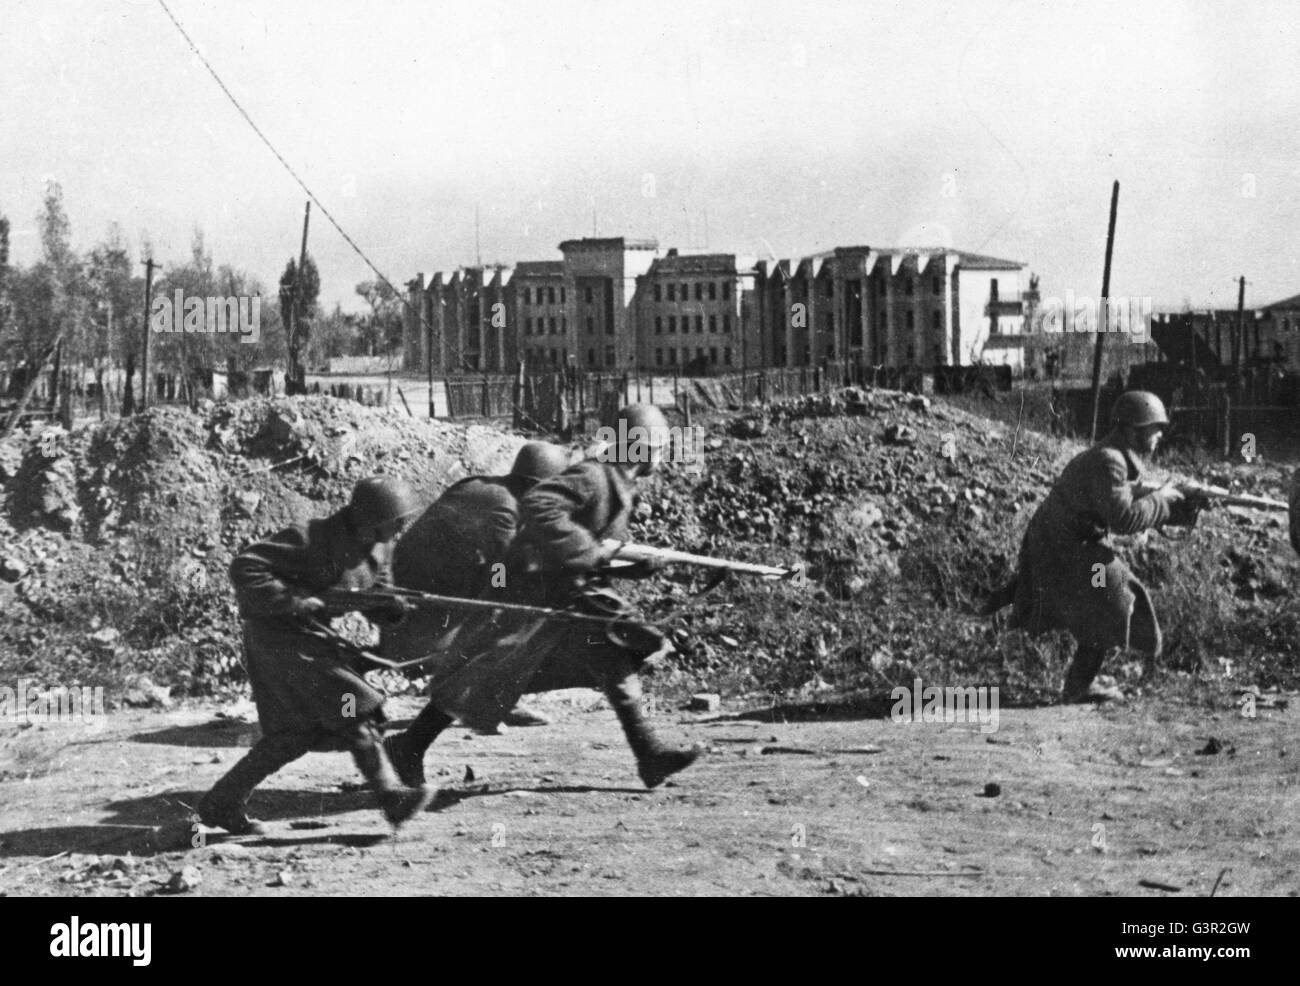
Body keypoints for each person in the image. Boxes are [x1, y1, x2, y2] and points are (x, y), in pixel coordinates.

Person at [385, 404, 701, 789]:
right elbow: (539, 506)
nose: (662, 455)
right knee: (481, 673)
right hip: (531, 599)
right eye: (658, 445)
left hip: (573, 598)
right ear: (638, 446)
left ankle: (648, 754)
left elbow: (606, 550)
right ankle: (408, 747)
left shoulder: (619, 488)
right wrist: (592, 552)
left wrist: (644, 564)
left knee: (615, 658)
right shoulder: (593, 477)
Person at [198, 476, 431, 835]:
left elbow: (374, 597)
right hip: (278, 639)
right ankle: (391, 798)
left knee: (295, 734)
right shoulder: (312, 538)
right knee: (355, 710)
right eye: (398, 520)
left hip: (311, 640)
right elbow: (245, 566)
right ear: (372, 517)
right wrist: (293, 602)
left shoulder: (381, 547)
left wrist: (393, 608)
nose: (404, 527)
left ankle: (221, 803)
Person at [985, 391, 1198, 703]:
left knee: (1108, 598)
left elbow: (1123, 502)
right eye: (1154, 428)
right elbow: (1124, 518)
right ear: (1131, 430)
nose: (1160, 435)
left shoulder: (1113, 458)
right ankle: (1079, 687)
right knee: (1113, 596)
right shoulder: (1109, 461)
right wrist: (1162, 501)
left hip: (1069, 543)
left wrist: (1178, 504)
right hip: (1062, 546)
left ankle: (1080, 683)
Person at [384, 441, 571, 734]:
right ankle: (486, 700)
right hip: (425, 585)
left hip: (428, 574)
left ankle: (494, 698)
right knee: (512, 613)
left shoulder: (490, 488)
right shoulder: (504, 508)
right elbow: (505, 565)